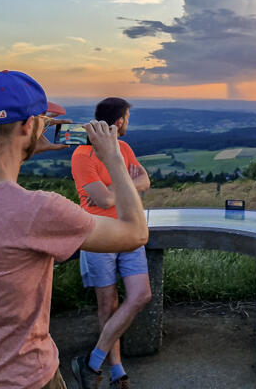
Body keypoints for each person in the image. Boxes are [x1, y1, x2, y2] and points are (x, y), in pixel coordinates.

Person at [0, 70, 148, 389]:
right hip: (23, 379)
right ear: (29, 125)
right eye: (44, 120)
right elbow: (135, 233)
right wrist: (114, 158)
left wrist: (26, 147)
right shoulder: (40, 210)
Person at [70, 98, 151, 389]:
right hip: (98, 233)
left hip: (129, 229)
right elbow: (104, 201)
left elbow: (145, 181)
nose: (128, 123)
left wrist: (112, 190)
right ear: (119, 121)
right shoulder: (82, 155)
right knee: (108, 303)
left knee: (140, 295)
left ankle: (92, 361)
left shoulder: (125, 148)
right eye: (127, 117)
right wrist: (126, 187)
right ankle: (115, 369)